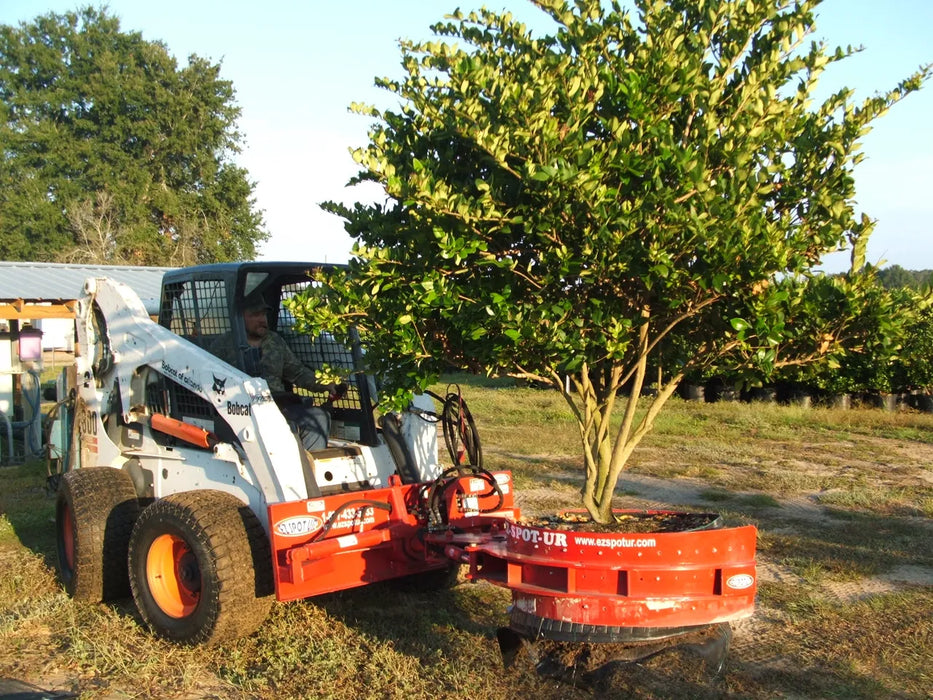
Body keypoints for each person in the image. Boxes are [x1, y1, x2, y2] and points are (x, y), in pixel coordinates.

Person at [211, 295, 344, 451]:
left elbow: (298, 372)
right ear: (239, 318)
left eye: (263, 314)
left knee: (318, 417)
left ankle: (307, 469)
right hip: (240, 411)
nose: (262, 320)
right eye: (255, 315)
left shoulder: (274, 341)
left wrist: (328, 385)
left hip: (277, 405)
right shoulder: (224, 345)